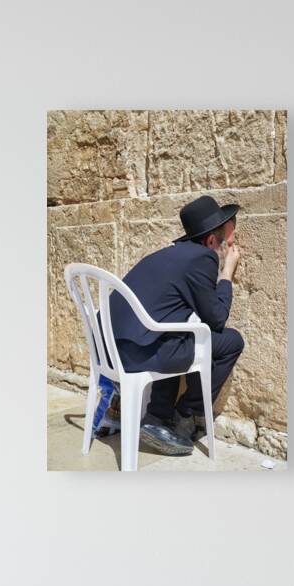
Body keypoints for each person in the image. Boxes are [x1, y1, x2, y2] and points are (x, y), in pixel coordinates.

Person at [106, 194, 245, 455]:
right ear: (211, 240)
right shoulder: (203, 258)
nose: (231, 246)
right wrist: (226, 275)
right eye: (228, 242)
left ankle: (157, 419)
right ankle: (188, 413)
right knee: (232, 341)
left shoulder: (165, 255)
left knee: (176, 335)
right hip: (140, 355)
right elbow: (215, 319)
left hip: (110, 351)